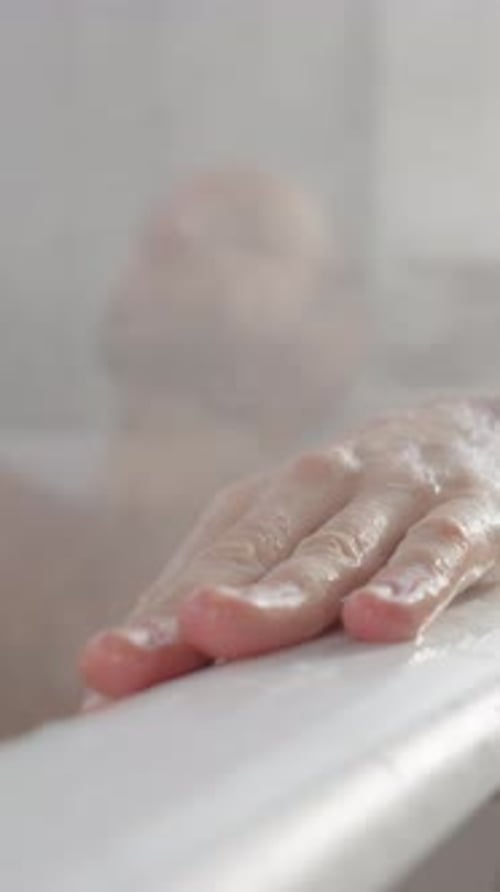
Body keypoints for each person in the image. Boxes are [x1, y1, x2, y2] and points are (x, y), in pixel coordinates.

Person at [78, 172, 500, 708]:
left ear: (342, 329)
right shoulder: (28, 505)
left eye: (246, 234)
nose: (174, 233)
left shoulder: (396, 477)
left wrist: (484, 436)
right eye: (155, 229)